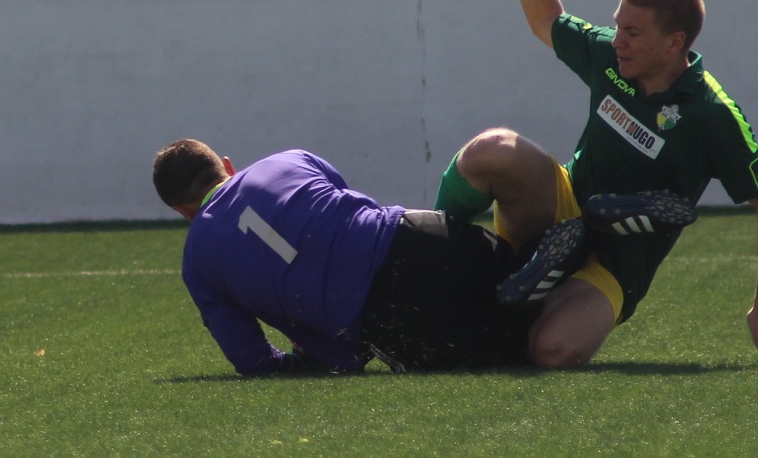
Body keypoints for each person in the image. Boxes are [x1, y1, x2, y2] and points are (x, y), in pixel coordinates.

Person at [435, 0, 758, 368]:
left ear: (674, 42)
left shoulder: (712, 114)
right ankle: (437, 250)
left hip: (620, 261)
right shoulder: (610, 55)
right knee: (492, 151)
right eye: (618, 26)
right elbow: (547, 20)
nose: (618, 40)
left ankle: (533, 284)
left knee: (554, 350)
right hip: (565, 206)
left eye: (632, 32)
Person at [152, 138, 601, 376]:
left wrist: (300, 360)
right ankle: (563, 246)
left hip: (381, 315)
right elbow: (345, 202)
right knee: (505, 265)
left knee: (509, 346)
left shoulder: (198, 262)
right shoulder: (286, 160)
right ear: (227, 165)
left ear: (183, 212)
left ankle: (514, 309)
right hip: (414, 235)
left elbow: (251, 359)